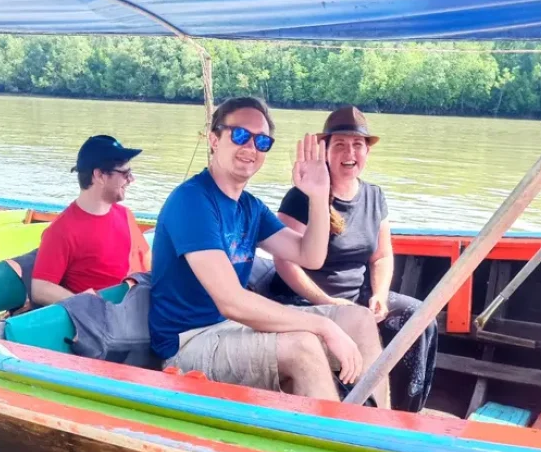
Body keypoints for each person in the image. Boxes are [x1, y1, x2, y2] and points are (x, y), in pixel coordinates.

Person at [148, 97, 388, 406]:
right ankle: (334, 446)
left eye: (262, 141)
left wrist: (317, 196)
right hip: (187, 343)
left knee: (359, 319)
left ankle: (374, 428)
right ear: (213, 139)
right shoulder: (192, 202)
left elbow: (309, 255)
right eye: (239, 135)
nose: (250, 147)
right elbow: (232, 301)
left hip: (230, 328)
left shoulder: (251, 208)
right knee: (303, 344)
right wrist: (324, 326)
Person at [268, 106, 438, 413]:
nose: (350, 153)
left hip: (357, 297)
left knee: (420, 318)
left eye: (358, 145)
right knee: (352, 320)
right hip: (304, 299)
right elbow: (285, 262)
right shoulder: (302, 196)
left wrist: (380, 296)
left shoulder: (375, 196)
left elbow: (382, 255)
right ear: (326, 150)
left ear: (367, 151)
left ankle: (404, 412)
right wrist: (328, 302)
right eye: (341, 145)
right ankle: (358, 411)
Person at [31, 135, 151, 306]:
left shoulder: (125, 215)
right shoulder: (62, 230)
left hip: (137, 308)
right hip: (103, 323)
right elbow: (40, 288)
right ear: (99, 175)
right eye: (125, 173)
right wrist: (90, 304)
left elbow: (146, 262)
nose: (131, 180)